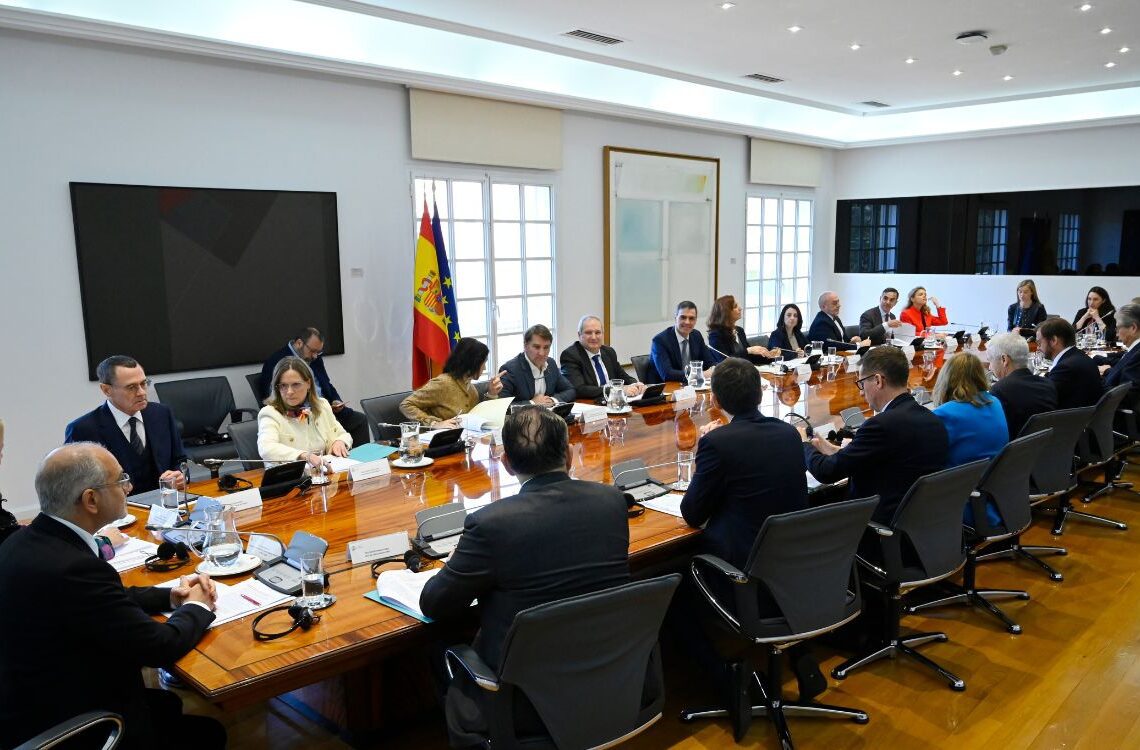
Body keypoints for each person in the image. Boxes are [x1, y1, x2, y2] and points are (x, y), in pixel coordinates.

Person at [420, 406, 630, 746]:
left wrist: (458, 556)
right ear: (570, 454)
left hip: (523, 700)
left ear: (506, 463)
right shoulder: (611, 501)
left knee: (436, 644)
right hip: (610, 675)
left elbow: (434, 603)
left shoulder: (491, 524)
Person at [0, 443, 225, 750]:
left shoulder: (23, 541)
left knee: (168, 705)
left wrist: (170, 596)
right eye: (120, 480)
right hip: (72, 724)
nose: (128, 487)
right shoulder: (73, 568)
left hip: (29, 701)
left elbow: (101, 600)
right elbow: (159, 648)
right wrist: (198, 603)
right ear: (91, 500)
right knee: (208, 734)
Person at [681, 357, 807, 567]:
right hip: (791, 558)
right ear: (759, 395)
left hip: (741, 563)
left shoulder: (716, 443)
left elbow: (692, 514)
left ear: (715, 401)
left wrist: (707, 447)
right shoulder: (789, 433)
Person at [804, 346, 949, 523]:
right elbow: (883, 457)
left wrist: (804, 444)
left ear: (878, 381)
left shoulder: (880, 426)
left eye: (862, 383)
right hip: (920, 525)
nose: (860, 391)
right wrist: (835, 451)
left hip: (874, 528)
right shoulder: (932, 419)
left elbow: (826, 472)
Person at [65, 355, 187, 495]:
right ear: (106, 390)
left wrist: (179, 475)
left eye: (143, 383)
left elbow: (180, 460)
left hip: (164, 504)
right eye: (131, 387)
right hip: (117, 512)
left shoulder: (161, 414)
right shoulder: (83, 429)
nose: (141, 392)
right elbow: (76, 485)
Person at [931, 352, 1009, 525]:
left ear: (946, 378)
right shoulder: (994, 402)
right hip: (996, 496)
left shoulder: (944, 414)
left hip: (962, 501)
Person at [259, 327, 370, 448]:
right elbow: (273, 395)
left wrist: (335, 400)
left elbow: (327, 384)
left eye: (318, 352)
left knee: (359, 420)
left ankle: (359, 462)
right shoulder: (277, 362)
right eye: (312, 351)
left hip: (322, 407)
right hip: (298, 411)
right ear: (299, 343)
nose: (315, 356)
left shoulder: (314, 358)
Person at [258, 356, 351, 469]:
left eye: (296, 384)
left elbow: (343, 434)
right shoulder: (270, 413)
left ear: (308, 384)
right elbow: (266, 448)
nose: (290, 392)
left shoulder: (322, 405)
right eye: (283, 385)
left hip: (325, 473)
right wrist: (304, 456)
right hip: (291, 478)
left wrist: (340, 441)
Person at [400, 338, 505, 427]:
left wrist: (492, 394)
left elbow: (477, 417)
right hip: (441, 443)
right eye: (483, 363)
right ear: (473, 363)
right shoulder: (443, 383)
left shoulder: (470, 387)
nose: (485, 367)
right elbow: (406, 405)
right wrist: (434, 423)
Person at [987, 332, 1058, 440]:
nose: (990, 367)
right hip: (1048, 449)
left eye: (990, 361)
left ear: (1004, 360)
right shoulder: (1047, 385)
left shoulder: (999, 391)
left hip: (1017, 453)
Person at [558, 315, 646, 400]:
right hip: (590, 405)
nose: (594, 337)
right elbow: (578, 389)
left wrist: (635, 384)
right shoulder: (570, 355)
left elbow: (623, 376)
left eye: (597, 332)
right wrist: (617, 390)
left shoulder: (608, 352)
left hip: (614, 403)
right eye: (588, 333)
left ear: (603, 334)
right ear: (579, 335)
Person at [499, 324, 577, 405]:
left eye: (546, 347)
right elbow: (503, 406)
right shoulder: (510, 370)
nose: (542, 353)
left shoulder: (551, 363)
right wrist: (532, 403)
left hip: (549, 415)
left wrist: (552, 400)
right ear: (525, 346)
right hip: (524, 417)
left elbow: (570, 390)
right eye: (536, 347)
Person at [1037, 318, 1103, 409]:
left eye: (1039, 342)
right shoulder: (1078, 356)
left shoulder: (1066, 367)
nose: (1038, 347)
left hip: (1071, 420)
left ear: (1053, 340)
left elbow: (1044, 400)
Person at [649, 301, 720, 383]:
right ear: (675, 318)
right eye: (683, 317)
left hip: (691, 387)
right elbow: (667, 374)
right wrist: (700, 375)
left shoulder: (696, 335)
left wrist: (714, 368)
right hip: (666, 390)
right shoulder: (660, 341)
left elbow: (709, 362)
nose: (687, 322)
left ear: (696, 320)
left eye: (691, 318)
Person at [705, 295, 779, 364]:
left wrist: (769, 356)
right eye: (735, 306)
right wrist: (749, 350)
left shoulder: (740, 331)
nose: (740, 308)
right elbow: (724, 361)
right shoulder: (715, 335)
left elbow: (748, 357)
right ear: (726, 312)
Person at [1101, 303, 1140, 394]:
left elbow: (1124, 395)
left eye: (1118, 328)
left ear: (1133, 328)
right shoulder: (1135, 350)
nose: (1116, 334)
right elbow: (1123, 373)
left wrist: (1093, 382)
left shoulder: (1137, 356)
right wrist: (1108, 371)